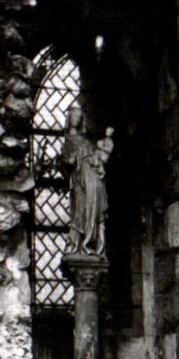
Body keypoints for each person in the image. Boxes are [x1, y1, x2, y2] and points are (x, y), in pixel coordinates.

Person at [62, 105, 114, 256]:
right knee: (80, 211)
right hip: (79, 180)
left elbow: (97, 156)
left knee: (94, 205)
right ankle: (76, 244)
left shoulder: (86, 140)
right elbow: (65, 162)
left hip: (91, 177)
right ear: (69, 119)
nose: (76, 120)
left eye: (79, 117)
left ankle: (92, 243)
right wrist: (69, 161)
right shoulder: (68, 139)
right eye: (74, 117)